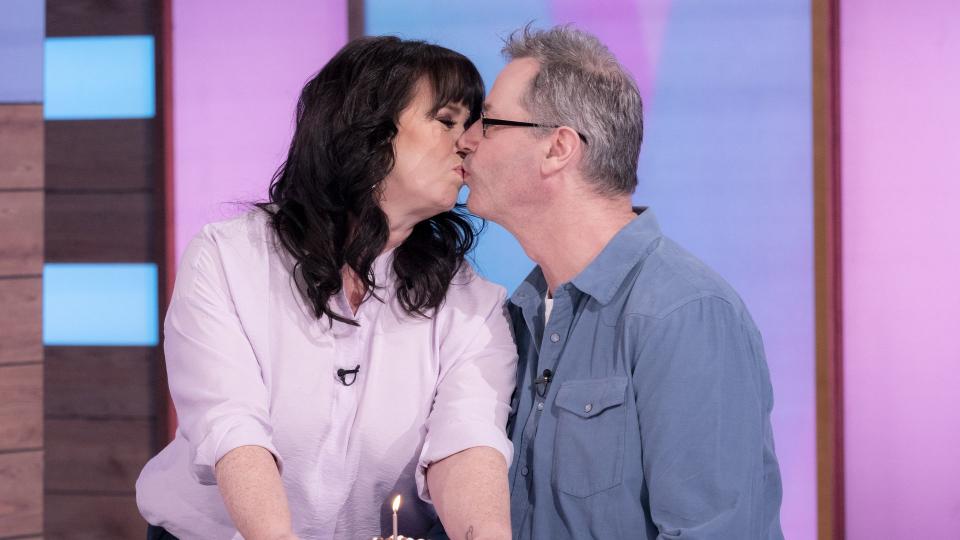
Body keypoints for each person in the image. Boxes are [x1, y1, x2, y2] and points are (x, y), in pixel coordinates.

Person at [136, 36, 516, 540]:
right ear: (367, 129)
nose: (468, 142)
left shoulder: (473, 302)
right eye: (446, 121)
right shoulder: (229, 257)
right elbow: (232, 429)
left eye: (471, 126)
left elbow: (466, 444)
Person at [456, 25, 784, 539]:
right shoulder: (513, 312)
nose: (467, 139)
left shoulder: (685, 312)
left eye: (490, 122)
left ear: (558, 148)